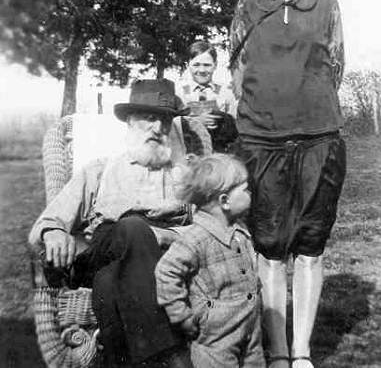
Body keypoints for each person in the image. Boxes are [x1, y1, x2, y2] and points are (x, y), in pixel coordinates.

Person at [229, 0, 346, 368]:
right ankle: (277, 351)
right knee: (271, 244)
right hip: (261, 140)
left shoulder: (326, 3)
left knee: (311, 243)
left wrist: (307, 106)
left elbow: (336, 66)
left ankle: (302, 352)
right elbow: (238, 70)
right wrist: (266, 114)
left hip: (319, 138)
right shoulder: (248, 5)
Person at [29, 79, 194, 368]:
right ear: (130, 121)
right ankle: (174, 357)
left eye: (166, 120)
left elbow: (209, 228)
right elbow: (49, 220)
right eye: (150, 118)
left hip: (166, 256)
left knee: (109, 283)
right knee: (132, 228)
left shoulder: (186, 175)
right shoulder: (100, 170)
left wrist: (166, 236)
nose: (159, 128)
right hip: (108, 242)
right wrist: (54, 232)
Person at [155, 154, 266, 368]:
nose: (251, 192)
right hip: (216, 334)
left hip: (250, 325)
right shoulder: (196, 238)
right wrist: (182, 316)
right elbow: (166, 271)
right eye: (245, 189)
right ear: (224, 201)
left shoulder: (239, 230)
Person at [177, 41, 238, 152]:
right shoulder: (179, 93)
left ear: (215, 65)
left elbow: (236, 126)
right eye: (196, 65)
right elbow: (171, 124)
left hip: (218, 154)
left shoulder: (226, 93)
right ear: (187, 65)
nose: (202, 70)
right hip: (187, 153)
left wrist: (223, 122)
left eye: (207, 65)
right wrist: (195, 122)